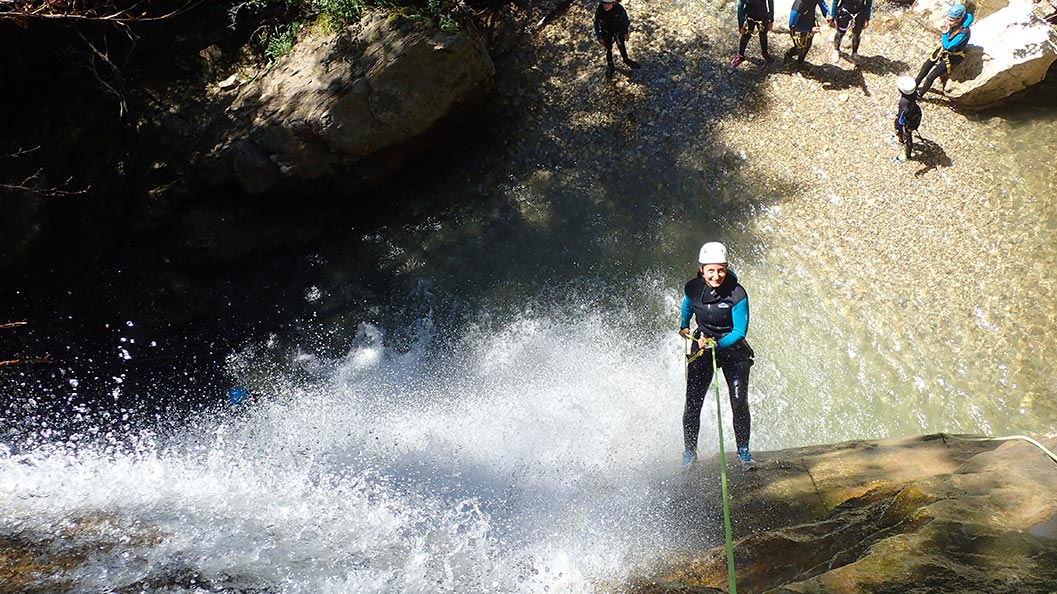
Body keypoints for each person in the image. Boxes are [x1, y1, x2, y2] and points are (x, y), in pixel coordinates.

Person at [678, 242, 756, 468]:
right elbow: (687, 304)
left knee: (739, 401)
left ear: (726, 268)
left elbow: (740, 331)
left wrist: (717, 345)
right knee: (693, 402)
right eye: (711, 270)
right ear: (701, 269)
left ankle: (744, 452)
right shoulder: (693, 289)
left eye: (721, 269)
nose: (716, 275)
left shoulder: (737, 294)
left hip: (733, 349)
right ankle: (689, 453)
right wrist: (684, 325)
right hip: (703, 346)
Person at [914, 4, 973, 98]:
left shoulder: (964, 32)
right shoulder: (955, 24)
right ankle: (914, 85)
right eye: (948, 18)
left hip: (953, 55)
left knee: (931, 76)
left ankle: (919, 95)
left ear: (959, 19)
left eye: (951, 20)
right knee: (926, 66)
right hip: (944, 50)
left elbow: (948, 46)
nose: (948, 21)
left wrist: (944, 33)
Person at [594, 0, 641, 79]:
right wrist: (599, 37)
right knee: (608, 49)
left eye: (608, 3)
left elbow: (625, 20)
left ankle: (626, 59)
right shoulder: (600, 10)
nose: (606, 6)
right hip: (606, 32)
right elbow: (596, 23)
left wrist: (625, 32)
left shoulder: (619, 9)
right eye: (604, 3)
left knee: (621, 45)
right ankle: (610, 65)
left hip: (618, 31)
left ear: (613, 3)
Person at [784, 0, 830, 65]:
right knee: (799, 49)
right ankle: (788, 55)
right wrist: (810, 29)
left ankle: (800, 62)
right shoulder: (799, 5)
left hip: (810, 25)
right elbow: (792, 25)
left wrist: (827, 14)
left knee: (807, 46)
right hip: (799, 29)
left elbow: (822, 4)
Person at [732, 0, 775, 68]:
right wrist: (741, 25)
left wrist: (771, 20)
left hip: (763, 16)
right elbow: (740, 6)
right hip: (749, 17)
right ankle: (740, 55)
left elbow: (771, 3)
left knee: (763, 35)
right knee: (746, 36)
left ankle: (765, 53)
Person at [893, 76, 922, 162]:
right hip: (915, 113)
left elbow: (901, 119)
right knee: (904, 131)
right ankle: (901, 138)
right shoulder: (913, 93)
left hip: (910, 121)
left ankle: (907, 154)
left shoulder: (904, 103)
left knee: (908, 137)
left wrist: (898, 129)